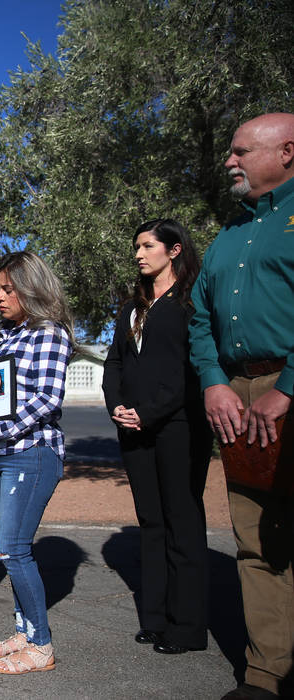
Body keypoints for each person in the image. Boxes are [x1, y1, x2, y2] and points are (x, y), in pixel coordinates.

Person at [189, 113, 294, 700]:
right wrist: (214, 381)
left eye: (240, 151)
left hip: (289, 386)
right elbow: (202, 319)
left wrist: (288, 387)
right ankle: (265, 674)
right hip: (239, 396)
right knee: (256, 538)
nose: (229, 160)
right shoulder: (229, 237)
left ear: (286, 151)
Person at [0, 251, 73, 675]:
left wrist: (0, 429)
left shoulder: (49, 332)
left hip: (31, 453)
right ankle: (24, 632)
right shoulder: (2, 335)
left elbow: (47, 398)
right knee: (10, 553)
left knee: (12, 548)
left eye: (8, 289)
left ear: (31, 288)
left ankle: (41, 645)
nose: (0, 297)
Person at [102, 219, 212, 655]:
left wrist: (147, 412)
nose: (139, 254)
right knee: (151, 522)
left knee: (181, 524)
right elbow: (114, 364)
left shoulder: (191, 302)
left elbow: (189, 370)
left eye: (147, 246)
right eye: (137, 247)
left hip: (179, 427)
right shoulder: (132, 307)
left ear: (175, 249)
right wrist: (117, 407)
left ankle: (187, 628)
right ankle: (156, 619)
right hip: (134, 431)